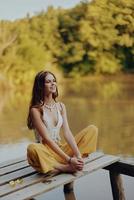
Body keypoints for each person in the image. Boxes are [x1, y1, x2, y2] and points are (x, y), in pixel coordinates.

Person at [27, 71, 98, 175]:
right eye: (48, 82)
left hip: (60, 150)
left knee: (92, 129)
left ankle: (74, 163)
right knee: (32, 148)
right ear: (40, 86)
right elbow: (47, 139)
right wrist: (69, 160)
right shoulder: (36, 110)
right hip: (45, 152)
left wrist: (77, 155)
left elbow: (67, 132)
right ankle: (65, 168)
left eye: (54, 81)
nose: (53, 84)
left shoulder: (60, 106)